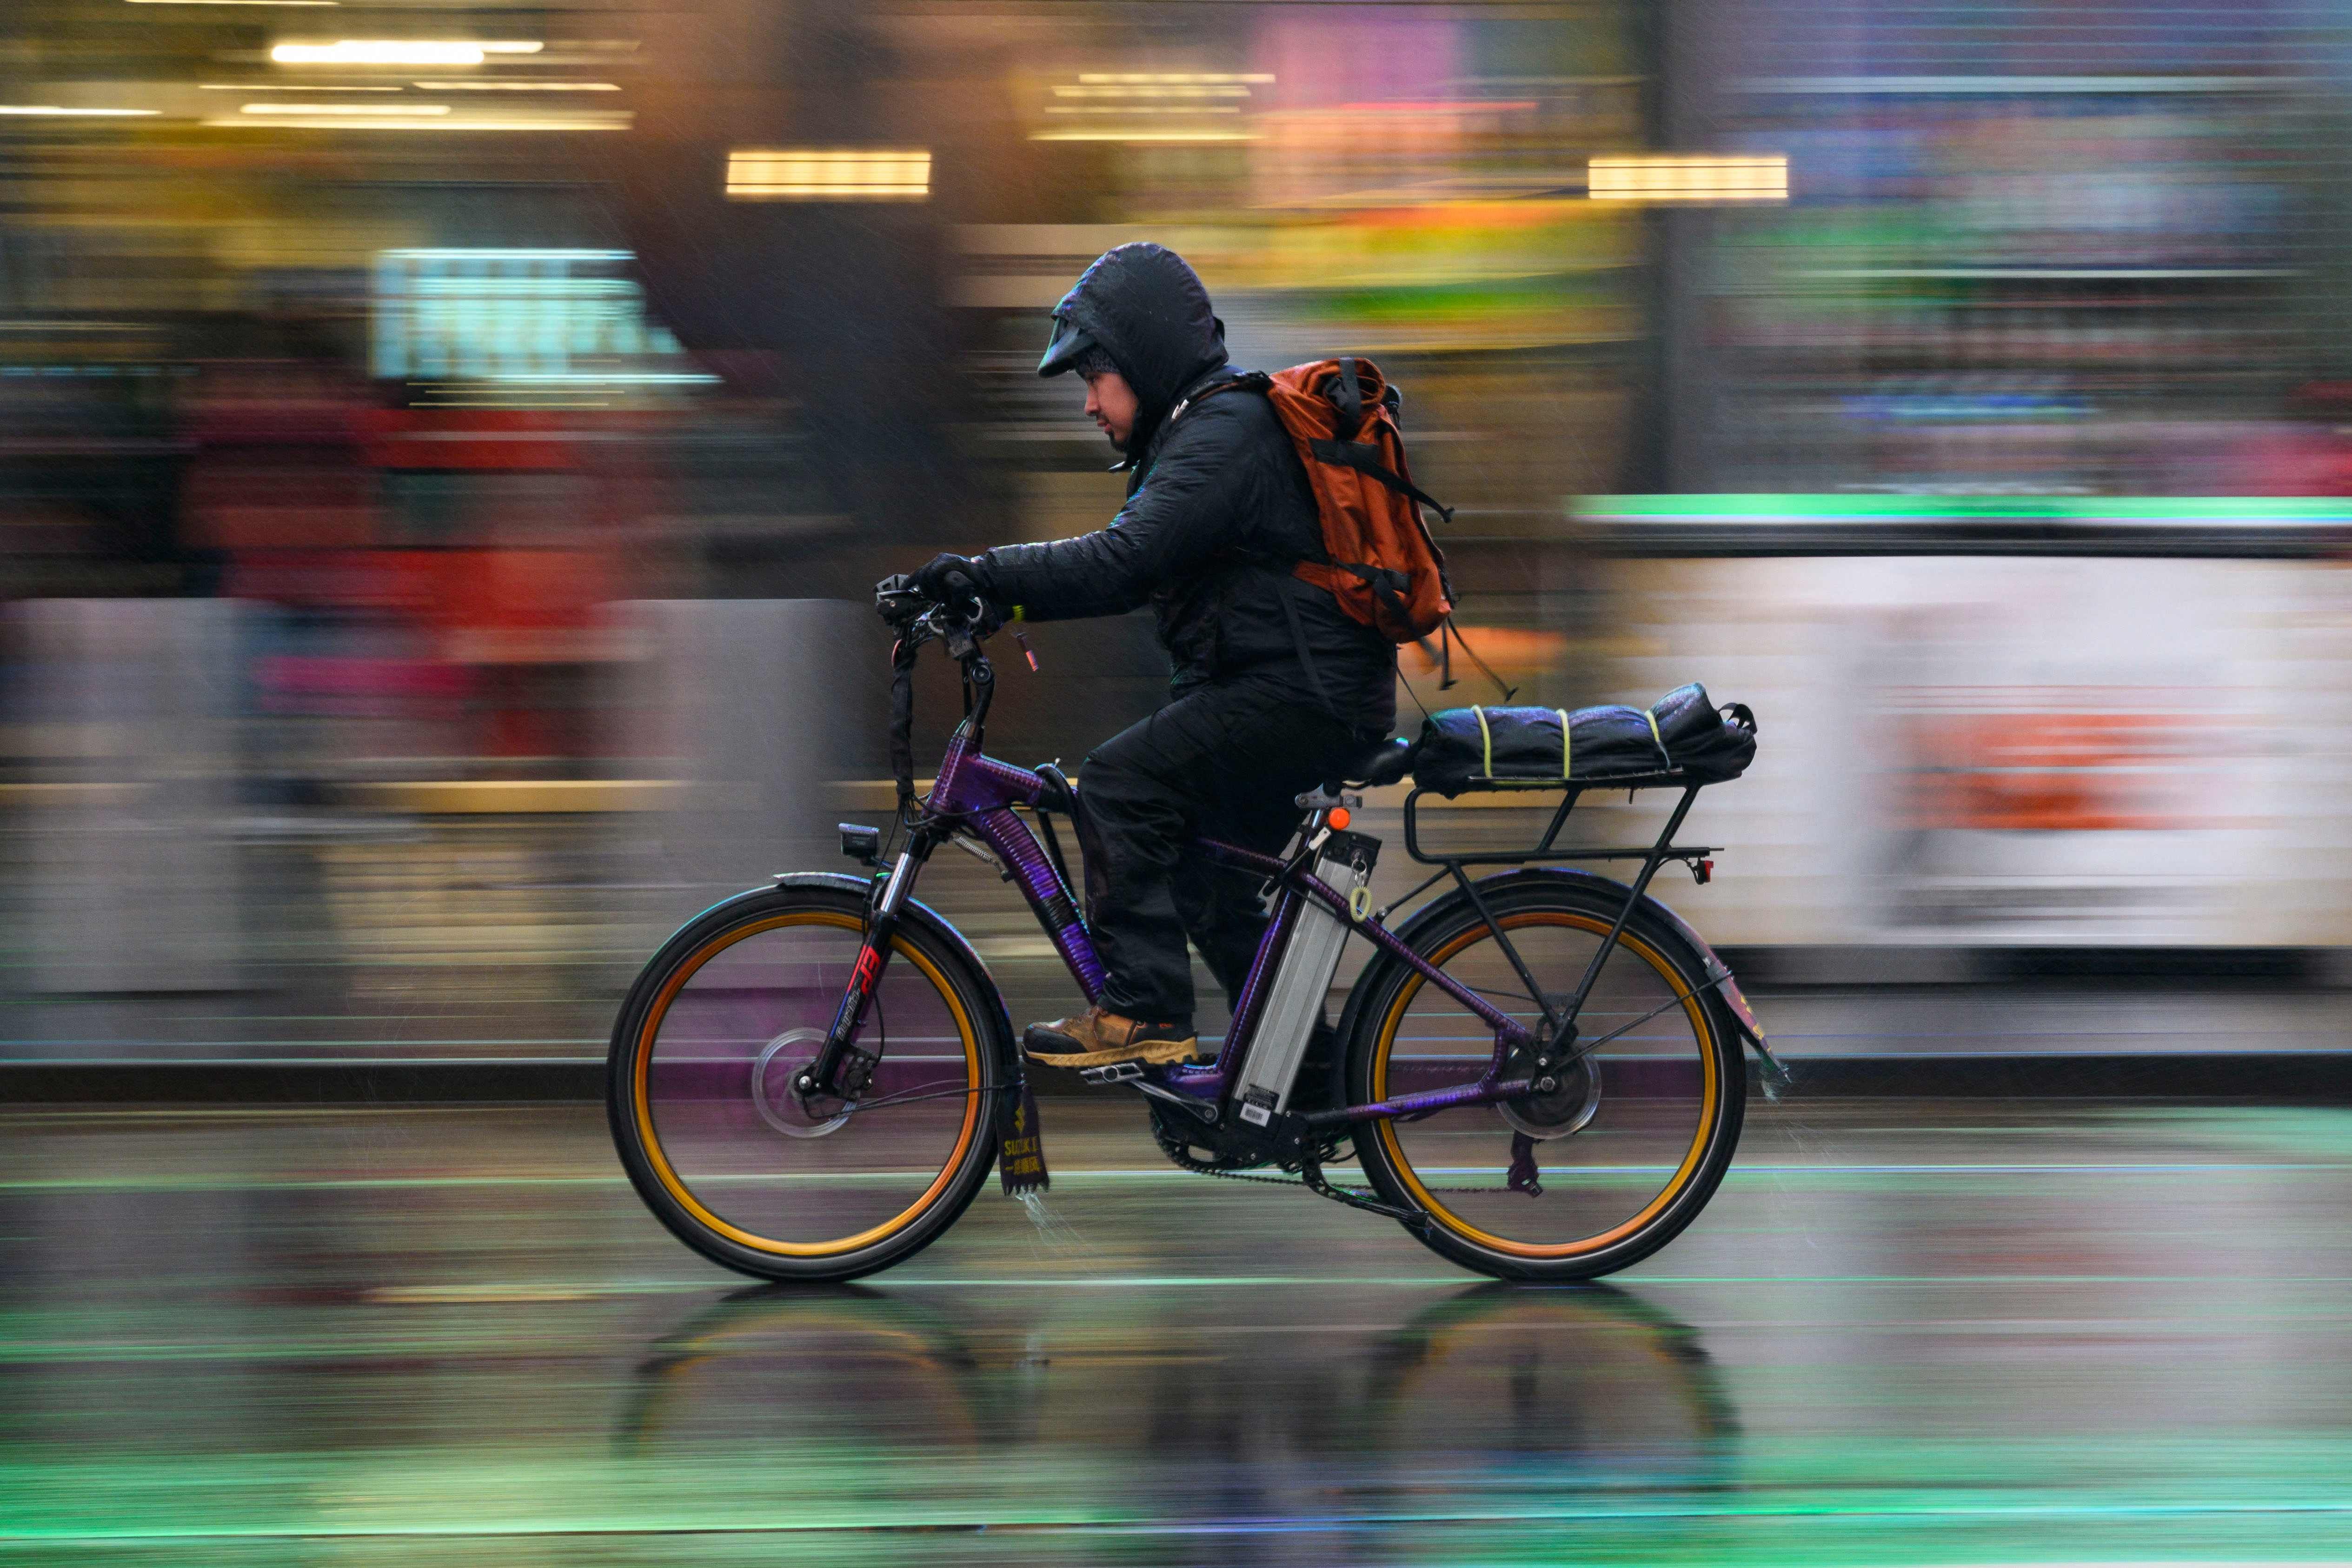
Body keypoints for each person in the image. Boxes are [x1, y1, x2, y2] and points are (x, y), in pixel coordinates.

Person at [904, 242, 1396, 1074]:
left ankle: (1143, 1012)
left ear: (1144, 358)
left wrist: (986, 576)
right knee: (1206, 878)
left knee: (1118, 784)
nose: (1089, 404)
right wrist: (991, 598)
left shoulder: (1223, 433)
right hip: (1299, 691)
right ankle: (1304, 1084)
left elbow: (1123, 561)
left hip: (1299, 696)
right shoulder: (1200, 432)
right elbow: (1136, 570)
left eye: (1095, 378)